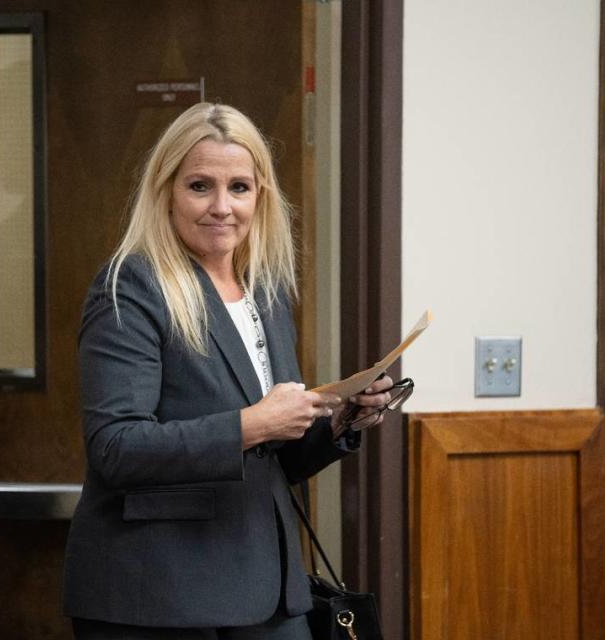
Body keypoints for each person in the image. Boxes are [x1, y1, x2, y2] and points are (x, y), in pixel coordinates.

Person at [63, 103, 396, 639]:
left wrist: (339, 424)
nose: (222, 207)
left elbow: (272, 461)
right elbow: (116, 448)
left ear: (260, 196)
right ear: (166, 191)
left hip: (266, 586)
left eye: (239, 187)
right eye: (200, 186)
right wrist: (256, 423)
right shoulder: (129, 287)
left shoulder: (265, 292)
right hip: (156, 594)